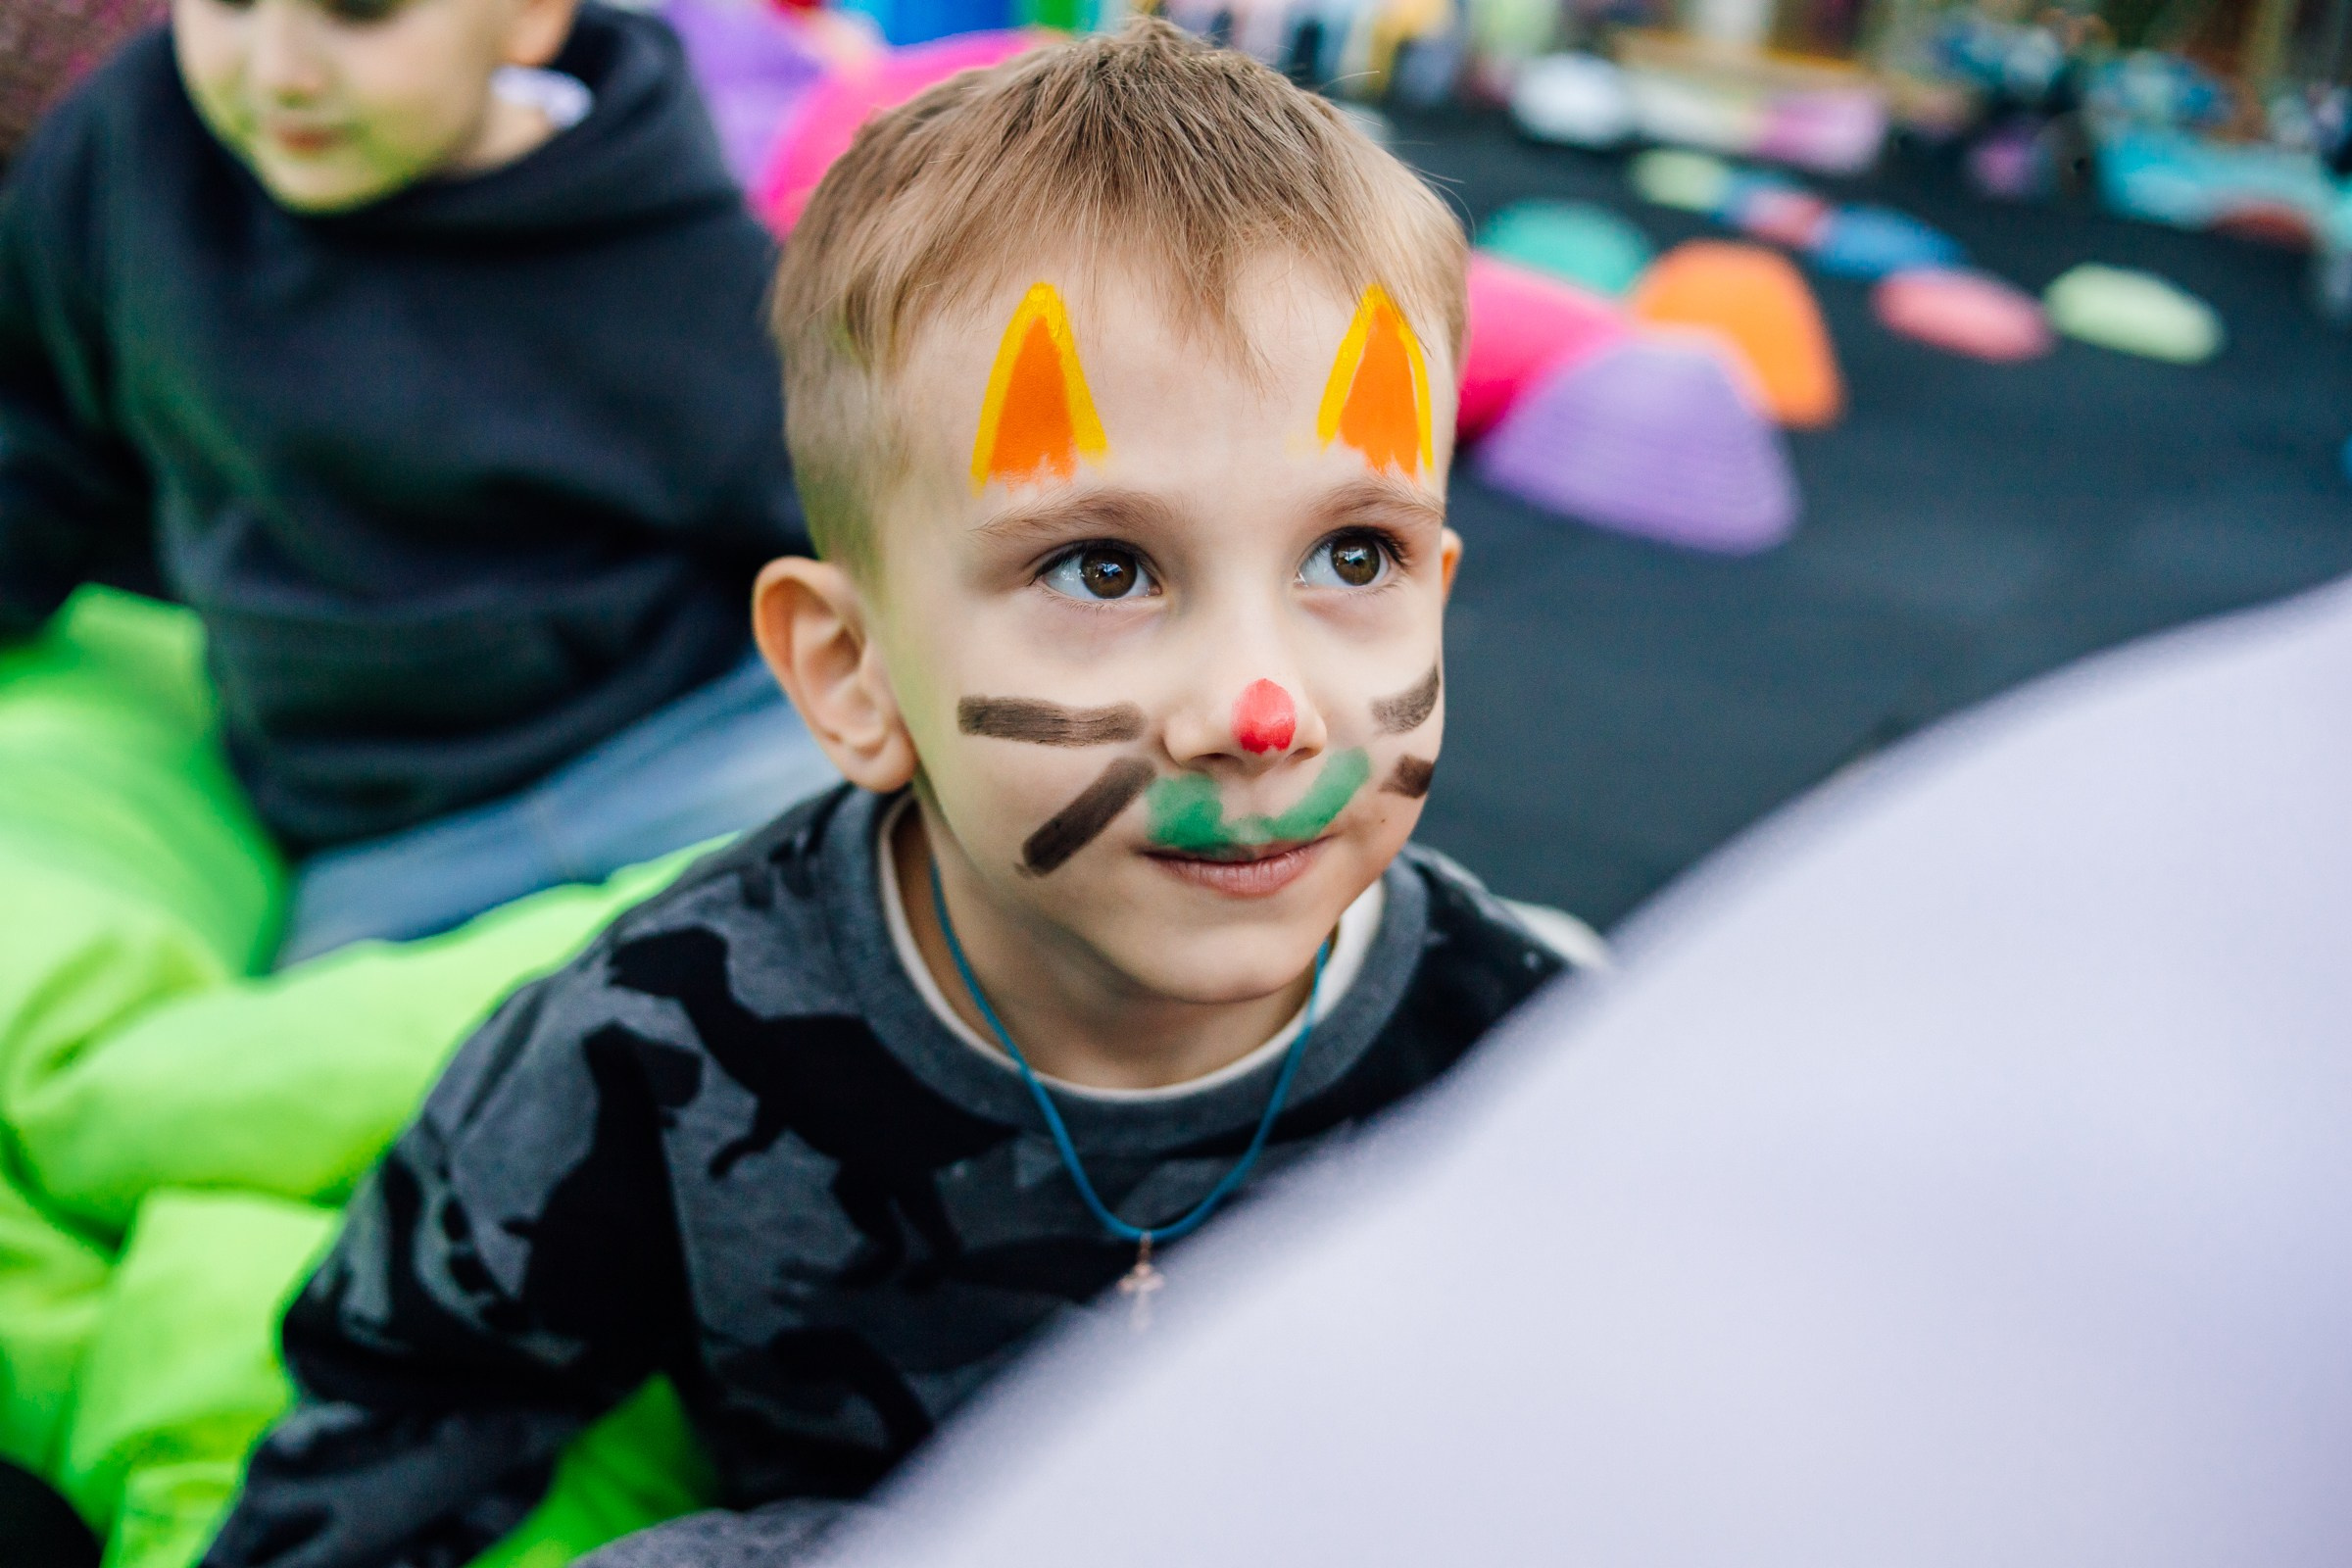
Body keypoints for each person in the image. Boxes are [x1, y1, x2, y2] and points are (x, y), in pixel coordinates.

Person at [199, 21, 1605, 1568]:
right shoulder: (653, 1044)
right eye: (1105, 566)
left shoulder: (1537, 1072)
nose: (1262, 713)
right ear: (853, 675)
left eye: (1357, 555)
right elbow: (394, 1411)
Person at [0, 0, 834, 962]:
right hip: (382, 832)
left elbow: (830, 505)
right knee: (360, 1082)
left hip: (687, 743)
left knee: (889, 900)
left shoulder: (660, 234)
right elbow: (32, 418)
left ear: (527, 18)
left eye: (361, 12)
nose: (281, 73)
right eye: (230, 3)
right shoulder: (129, 155)